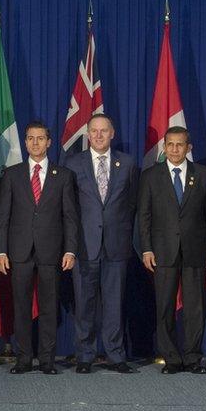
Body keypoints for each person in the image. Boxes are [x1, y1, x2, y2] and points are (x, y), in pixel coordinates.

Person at [0, 121, 78, 374]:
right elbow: (3, 217)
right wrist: (0, 251)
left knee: (48, 308)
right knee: (20, 307)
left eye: (40, 138)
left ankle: (47, 361)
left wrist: (70, 250)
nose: (35, 143)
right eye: (30, 138)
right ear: (25, 141)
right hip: (18, 252)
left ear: (49, 142)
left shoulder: (63, 176)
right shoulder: (12, 174)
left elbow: (70, 217)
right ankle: (23, 359)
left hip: (51, 252)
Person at [137, 126, 206, 374]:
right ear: (164, 147)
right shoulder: (151, 176)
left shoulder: (203, 175)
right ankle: (171, 358)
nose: (174, 149)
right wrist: (147, 248)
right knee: (164, 306)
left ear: (188, 148)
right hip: (162, 251)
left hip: (196, 249)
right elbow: (144, 217)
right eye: (169, 144)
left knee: (195, 307)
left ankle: (193, 357)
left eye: (179, 144)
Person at [62, 113, 139, 374]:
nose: (98, 135)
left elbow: (133, 204)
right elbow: (69, 209)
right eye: (93, 131)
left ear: (112, 133)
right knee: (84, 303)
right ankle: (85, 355)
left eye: (103, 131)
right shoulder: (73, 164)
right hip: (84, 246)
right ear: (87, 134)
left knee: (114, 303)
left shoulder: (127, 164)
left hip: (117, 245)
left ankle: (116, 355)